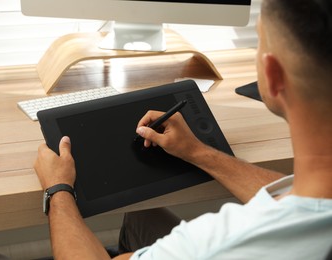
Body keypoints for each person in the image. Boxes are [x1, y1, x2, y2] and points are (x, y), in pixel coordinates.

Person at [34, 0, 332, 259]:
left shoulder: (217, 243)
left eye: (258, 43)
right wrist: (199, 152)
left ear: (272, 74)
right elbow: (300, 198)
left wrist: (58, 189)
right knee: (143, 218)